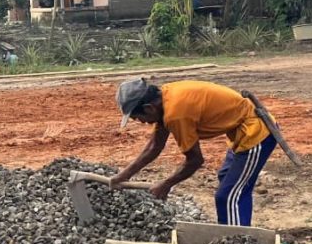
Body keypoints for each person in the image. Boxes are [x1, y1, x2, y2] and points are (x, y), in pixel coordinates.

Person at [109, 78, 277, 225]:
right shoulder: (165, 97)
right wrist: (123, 175)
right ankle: (234, 232)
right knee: (227, 178)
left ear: (149, 108)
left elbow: (195, 161)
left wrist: (166, 185)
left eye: (138, 118)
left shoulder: (176, 114)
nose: (142, 122)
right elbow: (154, 146)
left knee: (228, 196)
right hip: (240, 133)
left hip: (256, 133)